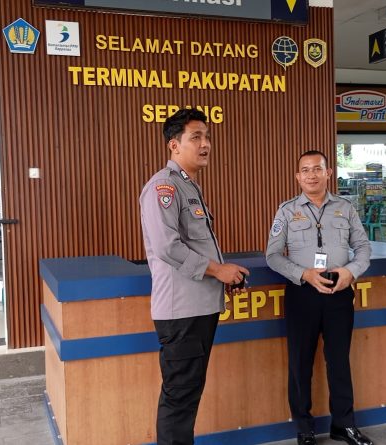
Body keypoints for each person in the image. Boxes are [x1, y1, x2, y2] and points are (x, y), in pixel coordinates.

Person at [139, 108, 249, 445]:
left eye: (207, 137)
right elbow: (167, 247)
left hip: (198, 308)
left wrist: (223, 277)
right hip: (182, 313)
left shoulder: (188, 186)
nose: (205, 144)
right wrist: (218, 270)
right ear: (174, 144)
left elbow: (195, 246)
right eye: (196, 137)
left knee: (187, 395)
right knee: (180, 397)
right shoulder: (164, 187)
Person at [266, 151, 373, 445]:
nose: (311, 175)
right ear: (297, 177)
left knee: (339, 361)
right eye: (305, 170)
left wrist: (351, 272)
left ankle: (344, 425)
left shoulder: (345, 208)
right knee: (300, 363)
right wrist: (303, 274)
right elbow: (272, 255)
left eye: (317, 169)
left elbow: (363, 247)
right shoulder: (287, 211)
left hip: (339, 292)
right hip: (302, 293)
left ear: (328, 173)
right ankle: (305, 429)